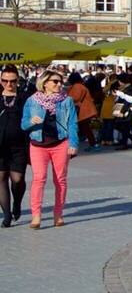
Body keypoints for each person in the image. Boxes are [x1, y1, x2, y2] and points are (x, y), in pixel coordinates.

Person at [19, 73, 76, 229]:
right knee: (39, 179)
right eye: (55, 81)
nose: (59, 85)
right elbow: (23, 125)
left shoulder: (67, 100)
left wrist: (73, 143)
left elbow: (72, 123)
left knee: (60, 179)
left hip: (61, 143)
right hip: (38, 144)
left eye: (61, 82)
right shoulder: (32, 101)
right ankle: (36, 216)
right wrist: (31, 121)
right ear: (45, 83)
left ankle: (58, 214)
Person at [0, 68, 24, 228]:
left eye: (13, 81)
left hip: (19, 146)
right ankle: (7, 215)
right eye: (5, 80)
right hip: (0, 146)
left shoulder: (24, 97)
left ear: (18, 81)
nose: (9, 84)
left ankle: (17, 203)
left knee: (17, 179)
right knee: (0, 178)